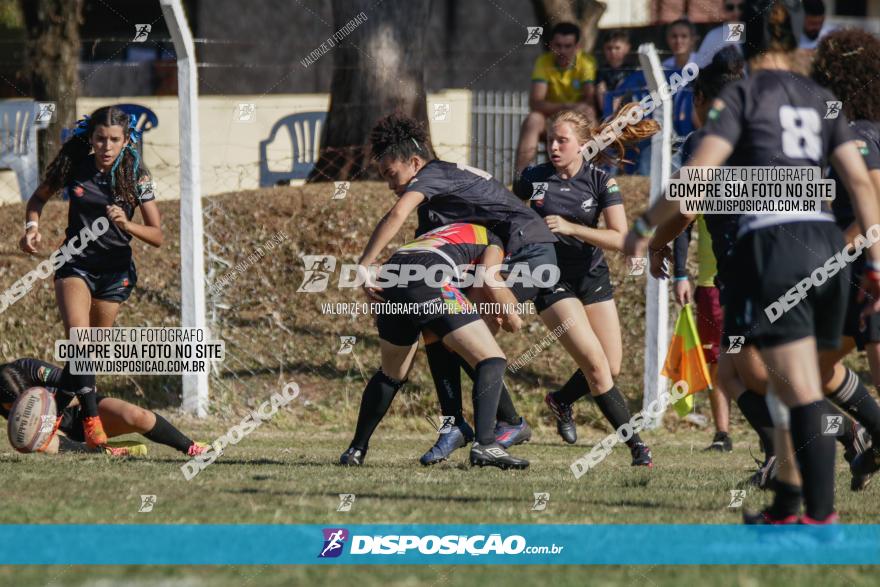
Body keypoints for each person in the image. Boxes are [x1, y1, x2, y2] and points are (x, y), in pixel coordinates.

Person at [625, 1, 880, 523]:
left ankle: (820, 515)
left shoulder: (739, 97)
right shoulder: (819, 98)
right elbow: (859, 182)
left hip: (773, 251)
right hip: (826, 243)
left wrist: (644, 226)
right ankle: (788, 503)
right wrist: (874, 262)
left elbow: (695, 180)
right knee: (783, 379)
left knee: (793, 386)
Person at [514, 103, 659, 465]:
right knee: (595, 367)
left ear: (582, 145)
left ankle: (561, 400)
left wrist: (572, 227)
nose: (554, 147)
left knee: (611, 367)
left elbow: (621, 237)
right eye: (551, 140)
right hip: (550, 280)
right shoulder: (532, 180)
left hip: (592, 277)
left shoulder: (600, 180)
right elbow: (506, 222)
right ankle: (636, 445)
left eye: (562, 141)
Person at [19, 106, 163, 448]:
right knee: (80, 341)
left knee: (88, 355)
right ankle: (92, 422)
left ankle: (53, 414)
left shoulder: (135, 173)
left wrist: (127, 224)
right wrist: (31, 228)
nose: (107, 147)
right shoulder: (74, 165)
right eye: (100, 139)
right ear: (90, 138)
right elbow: (37, 198)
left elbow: (157, 235)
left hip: (115, 273)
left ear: (127, 140)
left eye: (114, 140)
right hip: (75, 264)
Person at [338, 222, 529, 469]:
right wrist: (512, 318)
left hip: (391, 275)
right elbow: (490, 277)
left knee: (391, 375)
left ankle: (356, 449)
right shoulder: (493, 240)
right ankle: (485, 444)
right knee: (491, 359)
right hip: (430, 275)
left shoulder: (448, 231)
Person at [0, 358, 207, 457]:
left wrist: (53, 409)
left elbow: (85, 381)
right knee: (42, 443)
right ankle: (102, 452)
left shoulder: (30, 369)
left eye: (24, 401)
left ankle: (190, 446)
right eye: (13, 407)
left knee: (138, 416)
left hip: (82, 409)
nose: (20, 409)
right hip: (55, 431)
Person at [515, 22, 597, 174]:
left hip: (576, 121)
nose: (562, 51)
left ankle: (588, 173)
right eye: (558, 45)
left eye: (568, 46)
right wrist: (566, 107)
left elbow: (589, 100)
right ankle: (521, 178)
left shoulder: (586, 62)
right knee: (533, 119)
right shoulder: (543, 62)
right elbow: (535, 102)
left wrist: (569, 112)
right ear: (551, 44)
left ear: (577, 46)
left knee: (588, 112)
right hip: (551, 122)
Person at [693, 0, 745, 68]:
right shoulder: (713, 35)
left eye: (741, 7)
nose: (736, 12)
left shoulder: (755, 33)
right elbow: (699, 65)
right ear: (723, 9)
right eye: (730, 7)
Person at [595, 30, 632, 120]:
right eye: (609, 48)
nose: (613, 52)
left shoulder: (632, 70)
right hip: (607, 114)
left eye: (617, 48)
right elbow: (601, 95)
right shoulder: (601, 71)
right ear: (604, 49)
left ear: (627, 48)